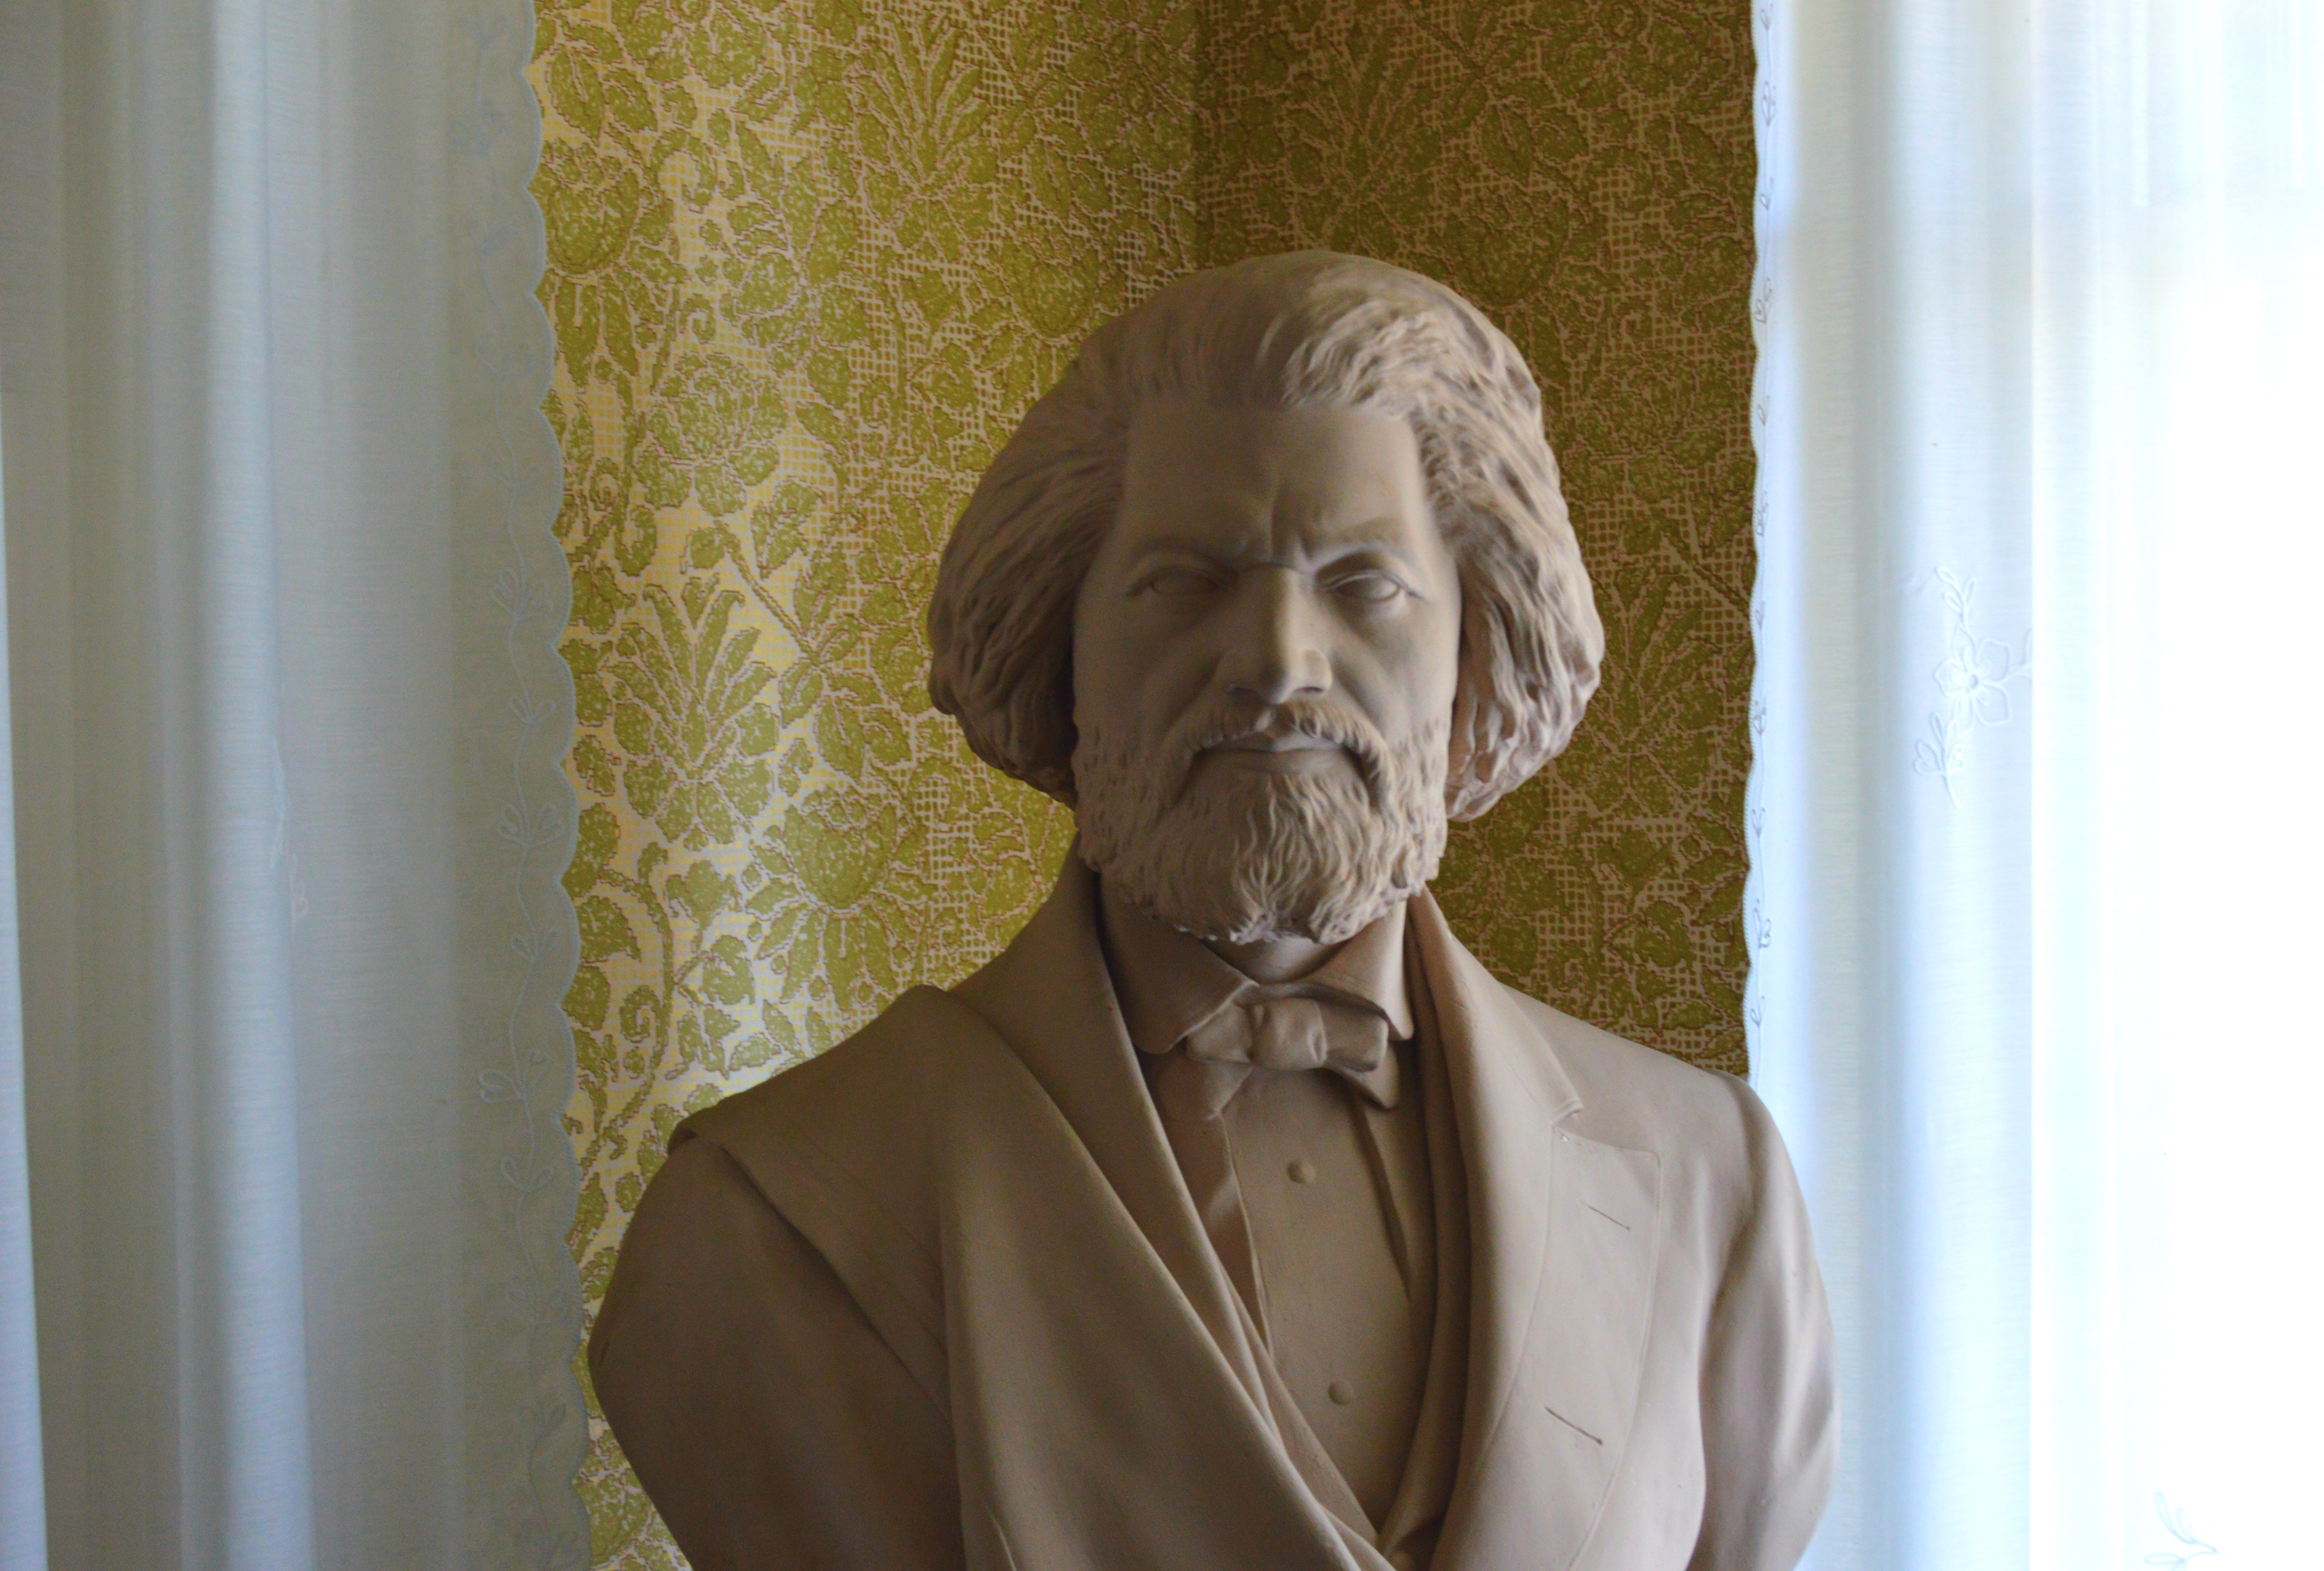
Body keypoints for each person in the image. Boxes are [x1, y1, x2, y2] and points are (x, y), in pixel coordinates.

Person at [588, 251, 1836, 1571]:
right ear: (1056, 644)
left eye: (1364, 585)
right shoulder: (768, 1218)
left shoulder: (1711, 1186)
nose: (1277, 660)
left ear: (1480, 645)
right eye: (1184, 582)